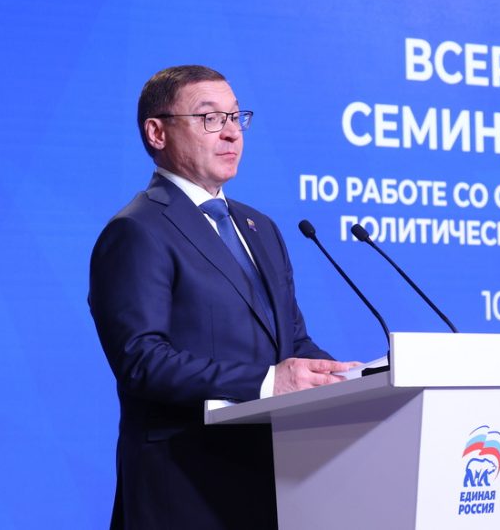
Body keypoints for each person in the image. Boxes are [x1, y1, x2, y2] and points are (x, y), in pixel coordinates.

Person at [89, 65, 355, 529]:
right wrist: (268, 383)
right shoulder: (136, 230)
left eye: (236, 117)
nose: (232, 133)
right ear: (157, 132)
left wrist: (346, 379)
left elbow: (291, 341)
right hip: (186, 486)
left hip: (275, 481)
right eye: (210, 118)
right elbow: (141, 361)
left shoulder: (260, 227)